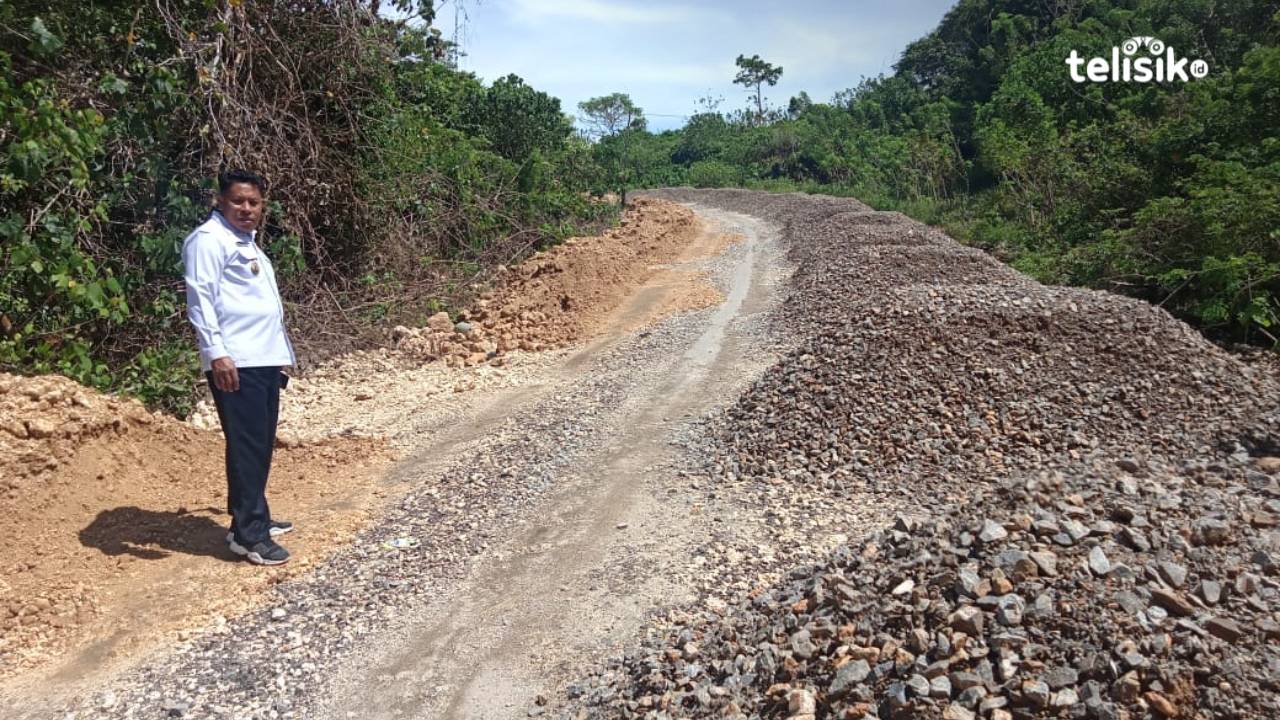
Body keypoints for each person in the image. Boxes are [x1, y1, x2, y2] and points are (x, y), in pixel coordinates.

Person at [182, 169, 296, 566]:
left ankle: (250, 518)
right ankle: (250, 536)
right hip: (236, 361)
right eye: (238, 201)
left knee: (257, 443)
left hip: (261, 357)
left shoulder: (245, 243)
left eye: (253, 202)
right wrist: (217, 352)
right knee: (248, 445)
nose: (246, 209)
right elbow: (200, 299)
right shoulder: (208, 240)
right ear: (220, 201)